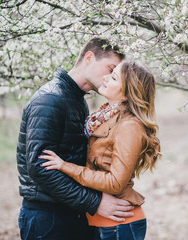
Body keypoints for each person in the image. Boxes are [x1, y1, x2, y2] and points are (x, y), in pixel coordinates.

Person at [16, 37, 135, 240]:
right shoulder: (50, 99)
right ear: (89, 57)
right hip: (49, 218)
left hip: (74, 213)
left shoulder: (78, 100)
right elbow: (38, 166)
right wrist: (95, 202)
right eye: (110, 69)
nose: (110, 77)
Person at [39, 60, 161, 240]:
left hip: (119, 225)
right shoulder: (104, 117)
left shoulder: (130, 126)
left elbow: (114, 183)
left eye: (113, 77)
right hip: (101, 222)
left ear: (127, 93)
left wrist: (65, 166)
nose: (104, 77)